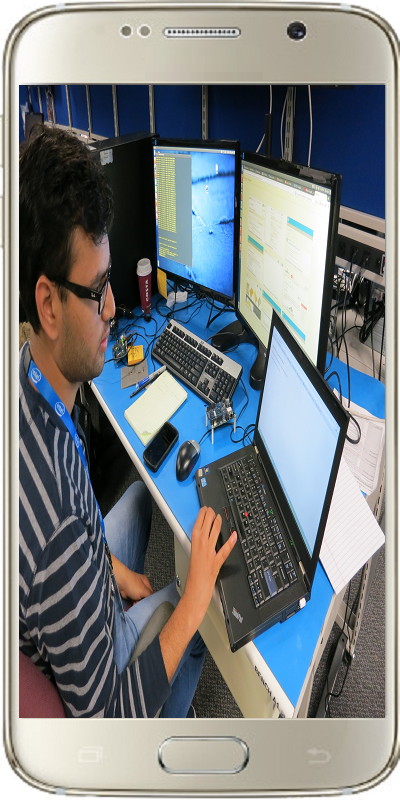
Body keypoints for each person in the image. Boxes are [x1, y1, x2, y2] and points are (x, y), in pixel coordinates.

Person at [19, 126, 237, 718]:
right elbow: (109, 717)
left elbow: (81, 534)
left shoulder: (30, 381)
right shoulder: (56, 528)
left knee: (141, 494)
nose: (114, 308)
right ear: (48, 305)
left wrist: (118, 575)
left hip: (87, 581)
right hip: (107, 689)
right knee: (205, 619)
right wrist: (190, 601)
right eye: (97, 291)